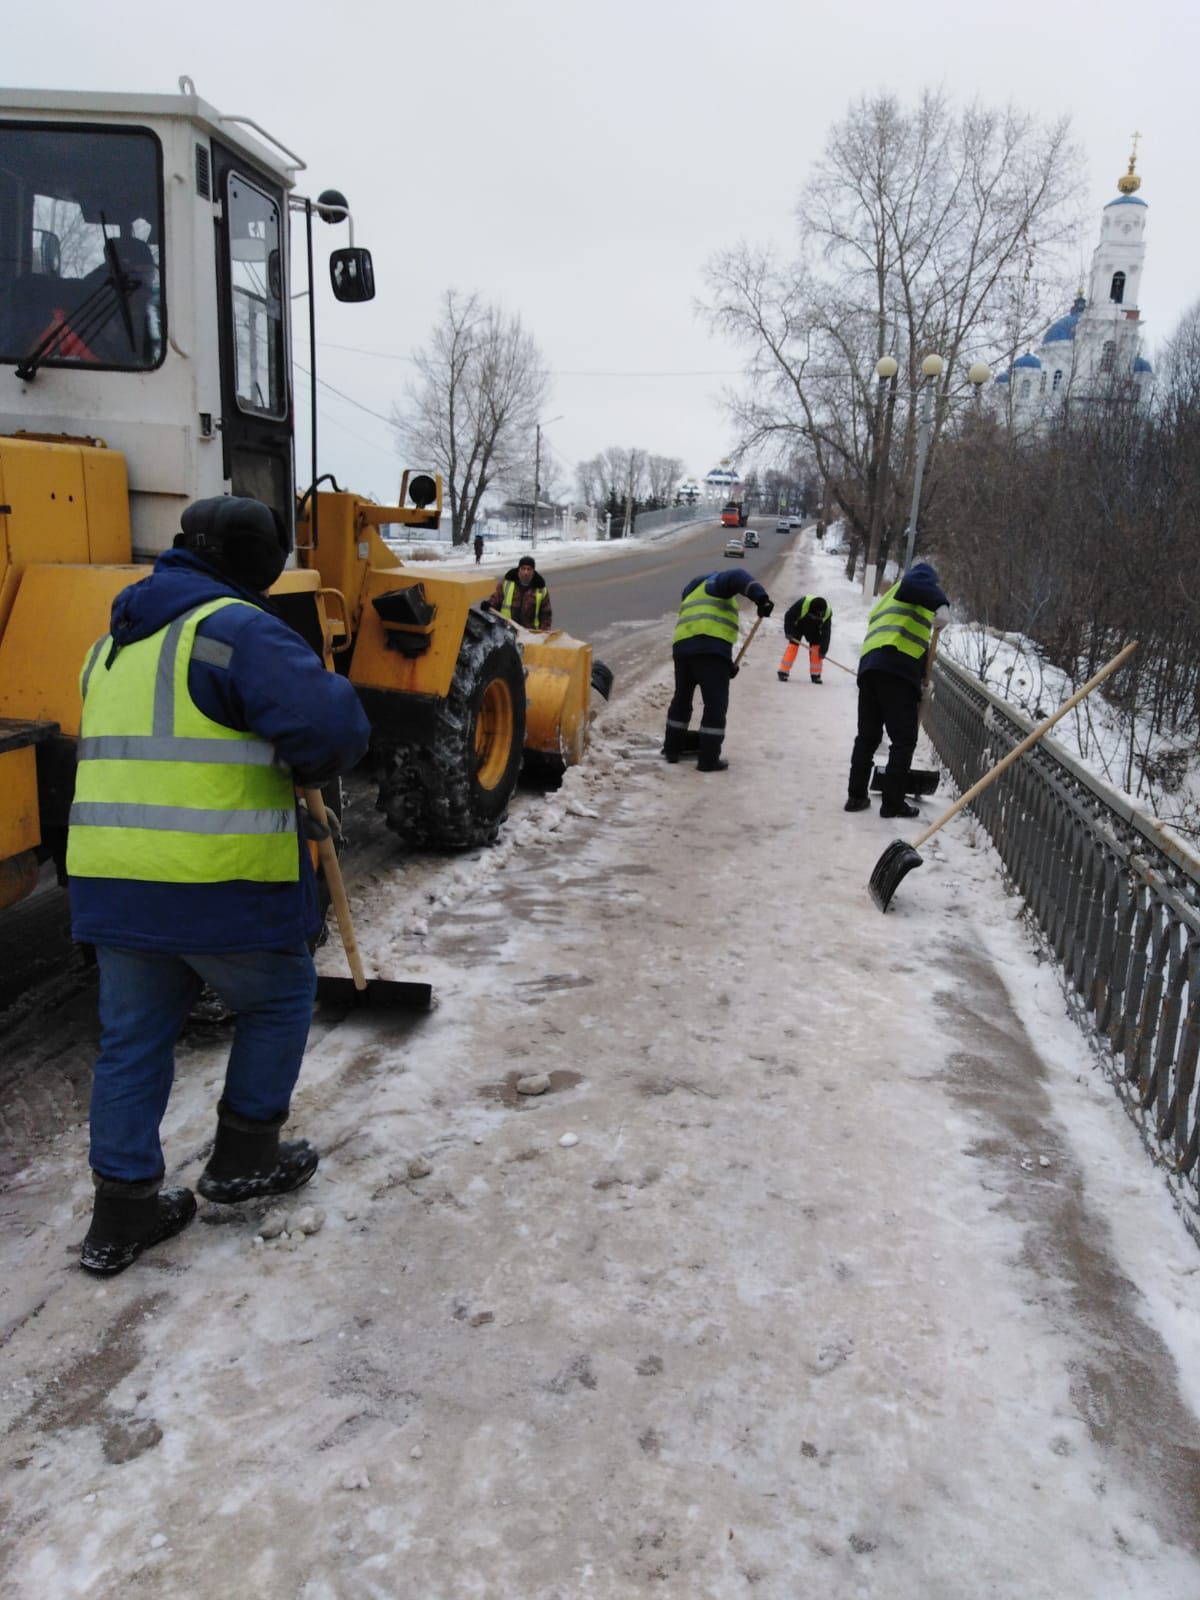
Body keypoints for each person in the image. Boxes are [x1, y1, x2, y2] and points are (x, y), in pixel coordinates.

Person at [67, 495, 372, 1276]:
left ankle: (123, 1211)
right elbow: (334, 731)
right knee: (277, 998)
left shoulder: (112, 643)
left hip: (112, 884)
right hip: (217, 884)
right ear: (257, 559)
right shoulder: (234, 629)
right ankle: (244, 1157)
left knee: (133, 1042)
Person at [845, 561, 949, 819]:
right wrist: (942, 603)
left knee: (867, 737)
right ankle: (892, 803)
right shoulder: (916, 581)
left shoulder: (889, 599)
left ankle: (856, 797)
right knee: (903, 741)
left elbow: (908, 635)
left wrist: (922, 678)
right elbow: (915, 582)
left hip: (871, 669)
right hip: (896, 672)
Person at [663, 567, 772, 772]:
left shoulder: (690, 593)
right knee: (715, 705)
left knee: (682, 700)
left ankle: (672, 749)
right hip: (710, 651)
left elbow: (704, 623)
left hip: (683, 651)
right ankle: (708, 759)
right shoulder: (714, 583)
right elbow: (737, 575)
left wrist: (726, 665)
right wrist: (761, 598)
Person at [777, 595, 832, 683]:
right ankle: (783, 671)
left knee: (816, 649)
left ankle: (816, 675)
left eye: (817, 617)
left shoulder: (827, 613)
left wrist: (823, 651)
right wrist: (789, 632)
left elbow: (826, 633)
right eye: (813, 616)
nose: (814, 618)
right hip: (799, 624)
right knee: (793, 646)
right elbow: (789, 616)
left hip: (815, 629)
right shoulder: (802, 603)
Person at [490, 554, 552, 631]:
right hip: (508, 631)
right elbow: (495, 601)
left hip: (530, 634)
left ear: (533, 571)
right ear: (519, 569)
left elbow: (546, 615)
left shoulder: (541, 590)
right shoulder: (506, 584)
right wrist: (488, 605)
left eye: (529, 569)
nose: (526, 572)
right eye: (523, 568)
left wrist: (543, 633)